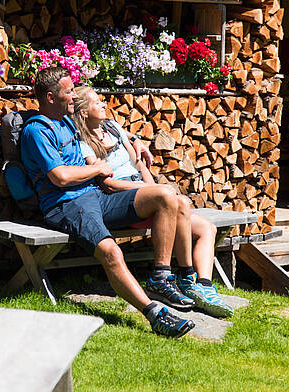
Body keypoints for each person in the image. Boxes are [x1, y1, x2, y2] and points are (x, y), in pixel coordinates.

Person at [21, 66, 196, 338]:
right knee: (111, 252)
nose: (73, 96)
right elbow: (60, 176)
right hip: (67, 205)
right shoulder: (37, 131)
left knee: (164, 195)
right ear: (51, 98)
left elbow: (109, 126)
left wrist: (135, 141)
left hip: (97, 196)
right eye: (68, 92)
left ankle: (160, 277)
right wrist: (98, 169)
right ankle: (155, 313)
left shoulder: (67, 120)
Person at [72, 85, 233, 318]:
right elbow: (108, 184)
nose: (104, 104)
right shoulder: (84, 142)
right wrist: (154, 190)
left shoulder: (113, 128)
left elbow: (138, 164)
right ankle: (176, 277)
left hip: (145, 189)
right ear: (84, 111)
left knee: (207, 227)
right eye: (97, 102)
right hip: (121, 195)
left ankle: (203, 286)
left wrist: (152, 183)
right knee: (173, 200)